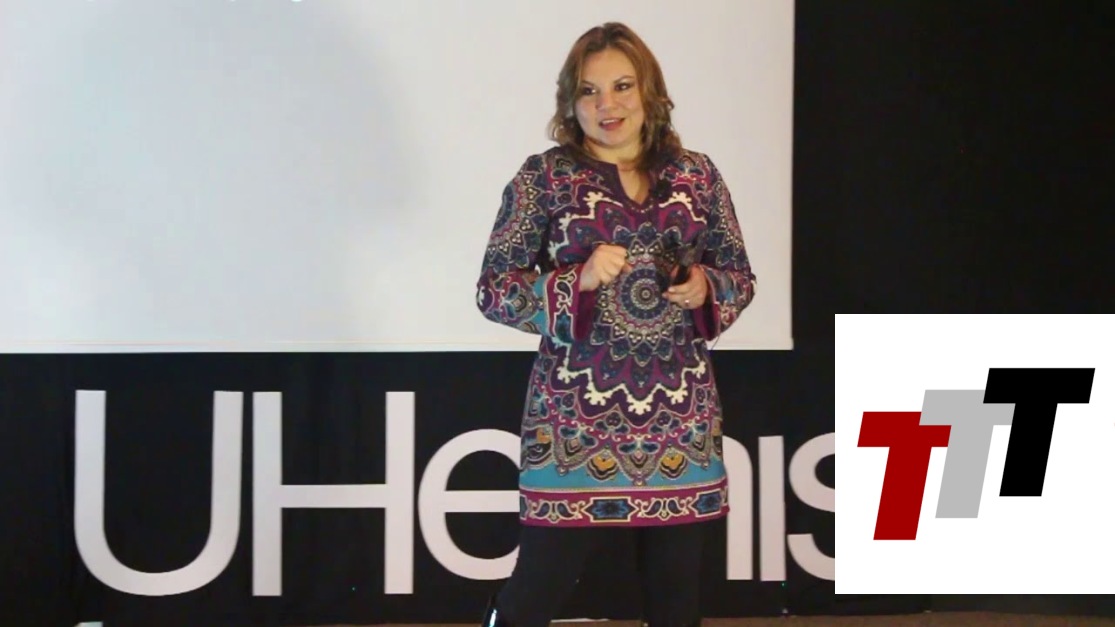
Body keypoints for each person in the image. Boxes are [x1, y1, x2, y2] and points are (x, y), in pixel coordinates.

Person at [474, 21, 756, 627]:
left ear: (648, 91)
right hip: (574, 422)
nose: (608, 105)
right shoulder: (543, 178)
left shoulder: (697, 175)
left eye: (622, 86)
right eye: (589, 91)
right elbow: (494, 290)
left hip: (678, 421)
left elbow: (739, 274)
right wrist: (575, 281)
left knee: (676, 598)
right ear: (570, 102)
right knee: (537, 589)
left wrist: (707, 287)